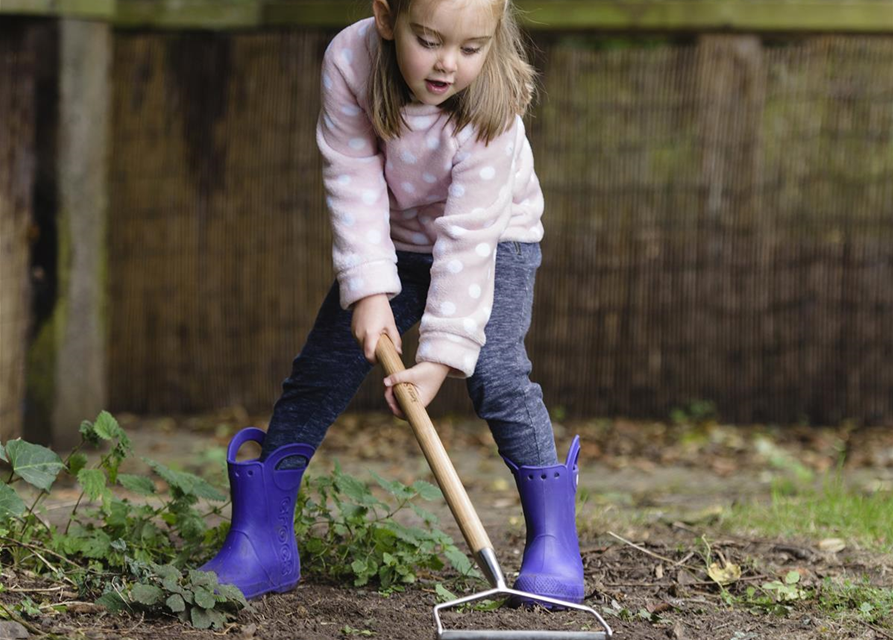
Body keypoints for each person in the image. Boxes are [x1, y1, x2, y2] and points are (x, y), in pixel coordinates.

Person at [201, 0, 586, 607]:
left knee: (498, 374)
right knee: (319, 374)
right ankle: (261, 543)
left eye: (470, 48)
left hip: (493, 239)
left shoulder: (497, 103)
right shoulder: (351, 60)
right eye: (429, 41)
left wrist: (439, 358)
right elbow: (351, 173)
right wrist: (369, 288)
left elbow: (468, 235)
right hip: (390, 243)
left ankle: (555, 543)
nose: (448, 66)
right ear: (386, 16)